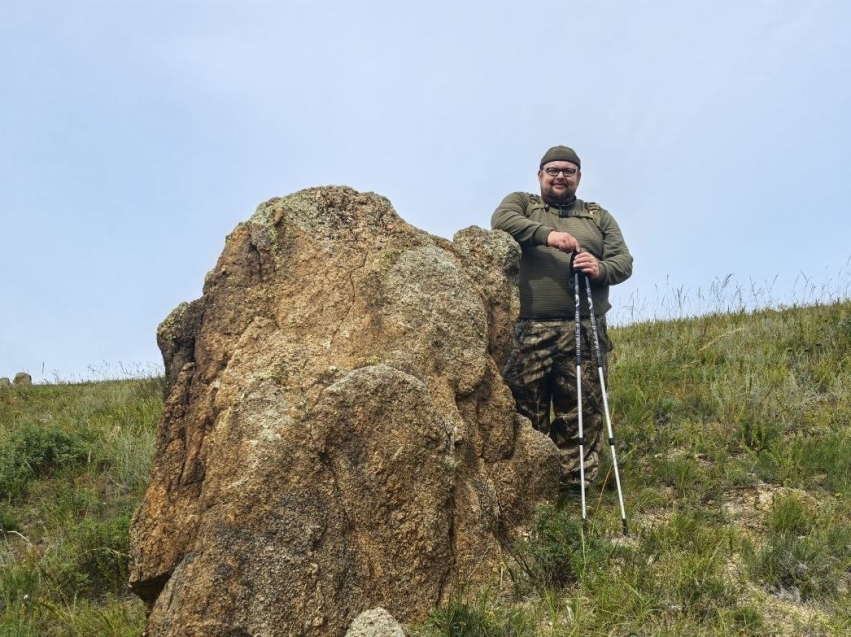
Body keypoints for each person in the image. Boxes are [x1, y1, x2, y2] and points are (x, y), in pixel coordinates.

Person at [491, 145, 633, 487]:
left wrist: (599, 268)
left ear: (578, 177)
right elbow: (500, 222)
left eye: (568, 171)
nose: (560, 176)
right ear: (540, 175)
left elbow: (624, 262)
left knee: (582, 408)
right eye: (553, 170)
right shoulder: (522, 204)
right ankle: (530, 484)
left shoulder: (597, 216)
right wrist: (549, 236)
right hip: (528, 329)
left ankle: (574, 486)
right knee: (525, 408)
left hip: (585, 327)